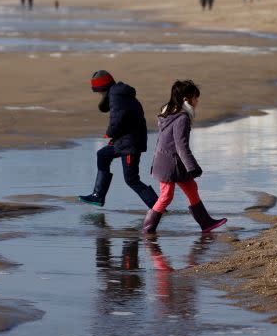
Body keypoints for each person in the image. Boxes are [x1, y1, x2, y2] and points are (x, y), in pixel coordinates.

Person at [142, 80, 227, 233]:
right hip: (170, 163)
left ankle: (206, 223)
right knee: (166, 195)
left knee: (191, 188)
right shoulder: (182, 118)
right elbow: (181, 146)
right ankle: (148, 228)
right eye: (195, 97)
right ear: (186, 99)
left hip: (171, 162)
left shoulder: (170, 113)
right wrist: (193, 167)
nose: (197, 101)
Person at [79, 70, 158, 208]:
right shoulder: (118, 94)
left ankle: (158, 206)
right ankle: (98, 196)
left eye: (99, 92)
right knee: (102, 155)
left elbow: (118, 118)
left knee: (131, 179)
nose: (99, 95)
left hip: (130, 144)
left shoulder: (117, 96)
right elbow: (118, 115)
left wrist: (110, 133)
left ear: (103, 88)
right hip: (123, 141)